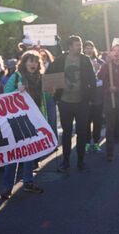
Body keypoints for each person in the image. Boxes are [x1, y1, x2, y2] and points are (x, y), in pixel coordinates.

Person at [0, 50, 46, 199]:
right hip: (17, 119)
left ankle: (28, 182)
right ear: (24, 63)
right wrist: (16, 90)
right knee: (14, 152)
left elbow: (45, 98)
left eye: (35, 61)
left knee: (30, 151)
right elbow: (5, 94)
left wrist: (51, 91)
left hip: (34, 117)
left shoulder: (41, 78)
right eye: (30, 61)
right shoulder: (17, 76)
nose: (33, 64)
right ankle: (8, 188)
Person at [46, 35, 96, 172]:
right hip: (64, 102)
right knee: (67, 133)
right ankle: (66, 161)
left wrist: (92, 99)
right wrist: (52, 88)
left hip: (82, 102)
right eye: (77, 45)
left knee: (82, 133)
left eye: (80, 44)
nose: (80, 47)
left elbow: (92, 79)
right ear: (69, 47)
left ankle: (81, 161)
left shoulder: (85, 60)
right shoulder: (61, 60)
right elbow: (49, 74)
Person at [83, 41, 104, 153]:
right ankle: (86, 142)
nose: (89, 50)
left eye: (91, 48)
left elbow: (105, 77)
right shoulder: (81, 62)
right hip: (86, 95)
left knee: (97, 121)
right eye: (87, 48)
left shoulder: (100, 62)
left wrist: (98, 70)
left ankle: (96, 142)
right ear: (84, 49)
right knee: (86, 121)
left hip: (98, 94)